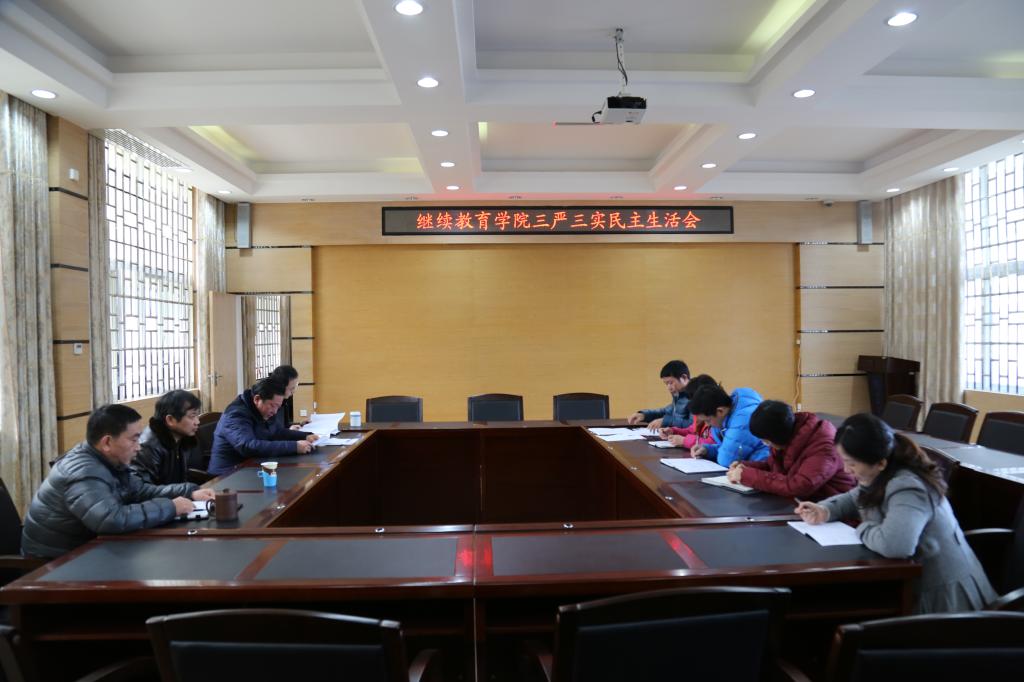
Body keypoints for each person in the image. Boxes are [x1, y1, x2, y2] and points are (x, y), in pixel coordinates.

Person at [796, 413, 996, 614]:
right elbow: (855, 497)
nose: (846, 470)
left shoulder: (908, 486)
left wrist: (863, 528)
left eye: (852, 463)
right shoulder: (882, 471)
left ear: (880, 463)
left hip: (943, 598)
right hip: (910, 582)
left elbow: (895, 546)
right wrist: (824, 510)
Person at [21, 405, 215, 560]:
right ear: (107, 442)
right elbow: (111, 519)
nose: (139, 447)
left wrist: (188, 491)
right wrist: (170, 507)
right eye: (133, 440)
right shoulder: (83, 472)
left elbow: (139, 491)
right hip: (54, 563)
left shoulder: (107, 459)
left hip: (88, 549)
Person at [728, 400, 855, 500]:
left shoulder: (824, 447)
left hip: (833, 511)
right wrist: (746, 467)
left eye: (765, 441)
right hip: (804, 505)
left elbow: (799, 486)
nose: (766, 444)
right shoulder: (789, 431)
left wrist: (747, 475)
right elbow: (774, 466)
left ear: (776, 436)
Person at [208, 377, 319, 475]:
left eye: (278, 406)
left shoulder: (263, 410)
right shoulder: (236, 415)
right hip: (228, 474)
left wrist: (305, 436)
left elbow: (277, 431)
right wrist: (294, 446)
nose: (275, 411)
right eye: (272, 406)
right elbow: (248, 446)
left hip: (253, 466)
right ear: (257, 399)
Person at [131, 389, 202, 486]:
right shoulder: (148, 446)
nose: (197, 422)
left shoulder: (182, 437)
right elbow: (143, 489)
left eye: (197, 415)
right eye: (192, 416)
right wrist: (187, 490)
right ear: (170, 420)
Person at [688, 383, 769, 466]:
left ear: (720, 411)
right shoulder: (729, 415)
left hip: (764, 467)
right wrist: (707, 450)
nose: (707, 425)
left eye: (707, 420)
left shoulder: (743, 420)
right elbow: (731, 449)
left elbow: (727, 460)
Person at [626, 360, 692, 430]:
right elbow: (666, 412)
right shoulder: (680, 395)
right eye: (666, 384)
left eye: (671, 383)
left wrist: (666, 421)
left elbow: (692, 425)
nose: (669, 388)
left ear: (684, 378)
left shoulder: (696, 395)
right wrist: (644, 415)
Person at [658, 374, 719, 448]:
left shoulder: (716, 416)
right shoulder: (701, 413)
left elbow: (713, 443)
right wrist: (673, 431)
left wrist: (684, 441)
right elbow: (692, 430)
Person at [268, 364, 306, 429]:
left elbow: (285, 425)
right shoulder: (269, 404)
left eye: (295, 387)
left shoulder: (284, 402)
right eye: (292, 388)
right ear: (281, 386)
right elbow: (270, 431)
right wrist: (289, 430)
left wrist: (300, 424)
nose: (293, 391)